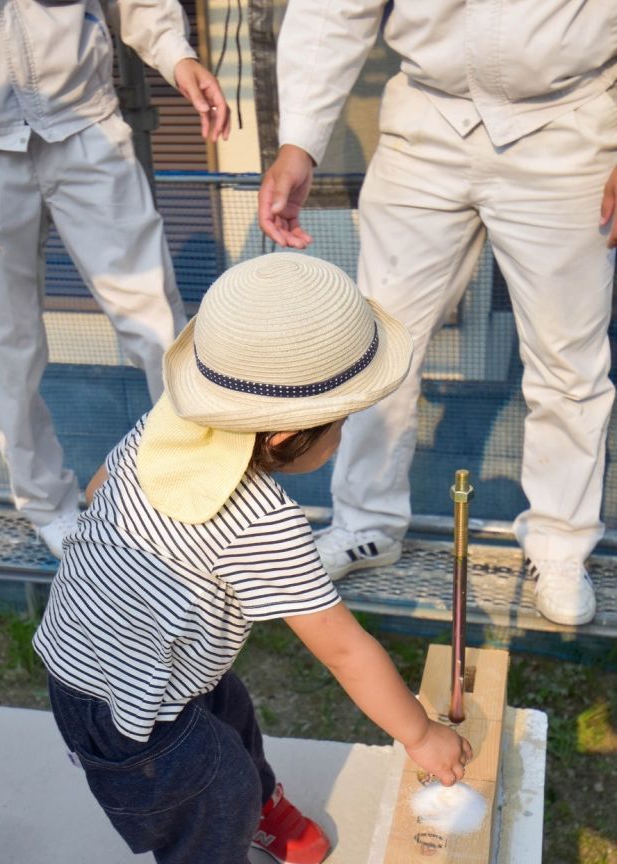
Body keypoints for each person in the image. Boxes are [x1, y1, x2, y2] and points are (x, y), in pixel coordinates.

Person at [32, 253, 472, 864]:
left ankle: (256, 806)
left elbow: (98, 485)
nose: (341, 437)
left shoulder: (170, 422)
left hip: (152, 661)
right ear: (282, 438)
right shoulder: (258, 519)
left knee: (230, 718)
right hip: (116, 698)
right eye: (338, 424)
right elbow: (342, 648)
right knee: (203, 788)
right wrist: (421, 736)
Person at [258, 0, 617, 628]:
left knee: (568, 358)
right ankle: (365, 523)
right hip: (425, 120)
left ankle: (561, 548)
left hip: (572, 125)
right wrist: (300, 141)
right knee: (377, 341)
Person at [0, 0, 230, 558]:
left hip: (85, 121)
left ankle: (190, 490)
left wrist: (176, 54)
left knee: (158, 323)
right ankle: (48, 505)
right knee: (6, 347)